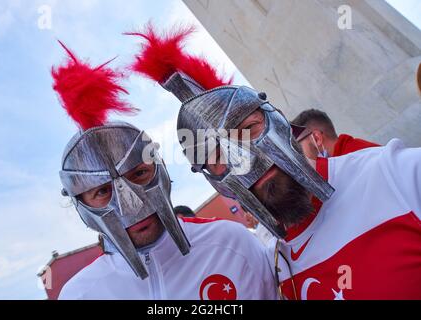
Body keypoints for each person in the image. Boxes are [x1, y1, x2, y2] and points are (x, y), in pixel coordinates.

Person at [128, 24, 421, 300]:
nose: (245, 159)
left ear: (278, 119)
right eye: (217, 156)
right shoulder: (276, 262)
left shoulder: (396, 175)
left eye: (248, 129)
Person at [52, 42, 276, 300]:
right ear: (81, 204)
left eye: (139, 174)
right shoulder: (80, 294)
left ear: (160, 169)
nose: (132, 205)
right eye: (102, 191)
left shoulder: (230, 243)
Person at [291, 109, 379, 159]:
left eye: (296, 145)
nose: (296, 153)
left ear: (316, 138)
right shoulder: (342, 160)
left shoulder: (357, 158)